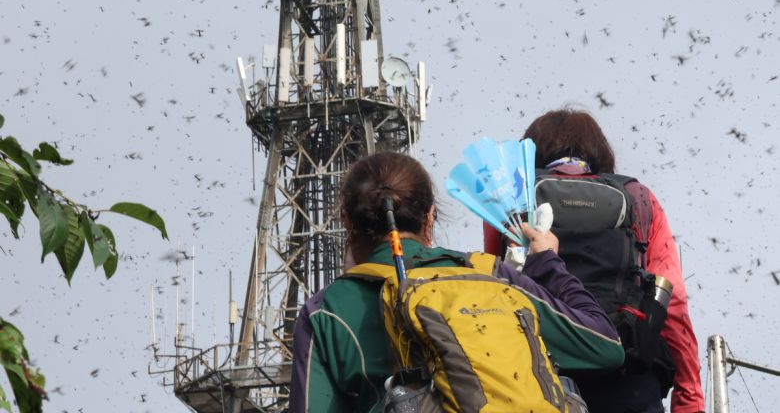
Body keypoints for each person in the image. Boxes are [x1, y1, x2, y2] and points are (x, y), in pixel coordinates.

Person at [289, 151, 625, 413]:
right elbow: (605, 346)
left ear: (347, 220)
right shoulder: (489, 275)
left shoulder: (326, 312)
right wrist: (548, 263)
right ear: (430, 216)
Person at [484, 108, 705, 413]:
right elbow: (674, 302)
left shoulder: (512, 197)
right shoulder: (639, 199)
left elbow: (495, 284)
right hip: (629, 382)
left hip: (536, 377)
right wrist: (689, 400)